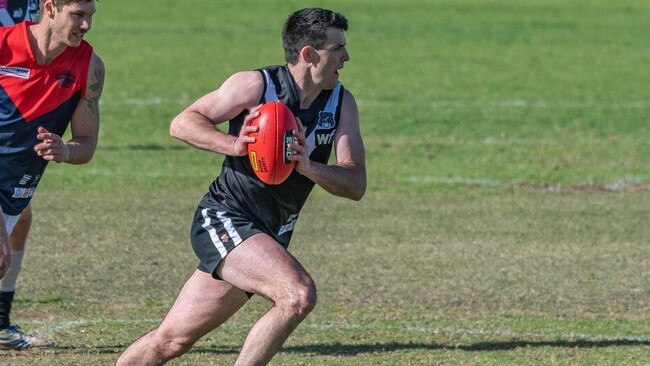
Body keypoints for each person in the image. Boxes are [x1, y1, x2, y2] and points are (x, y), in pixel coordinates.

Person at [116, 7, 365, 366]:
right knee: (297, 295)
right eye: (337, 48)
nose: (346, 56)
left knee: (170, 341)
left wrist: (309, 168)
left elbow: (355, 182)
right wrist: (233, 145)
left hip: (269, 234)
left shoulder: (342, 103)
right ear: (309, 54)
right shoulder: (256, 86)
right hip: (225, 218)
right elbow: (183, 122)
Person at [0, 0, 104, 350]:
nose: (87, 25)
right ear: (50, 9)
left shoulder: (89, 66)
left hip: (16, 189)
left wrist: (66, 150)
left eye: (91, 16)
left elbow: (87, 143)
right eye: (78, 15)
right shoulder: (2, 46)